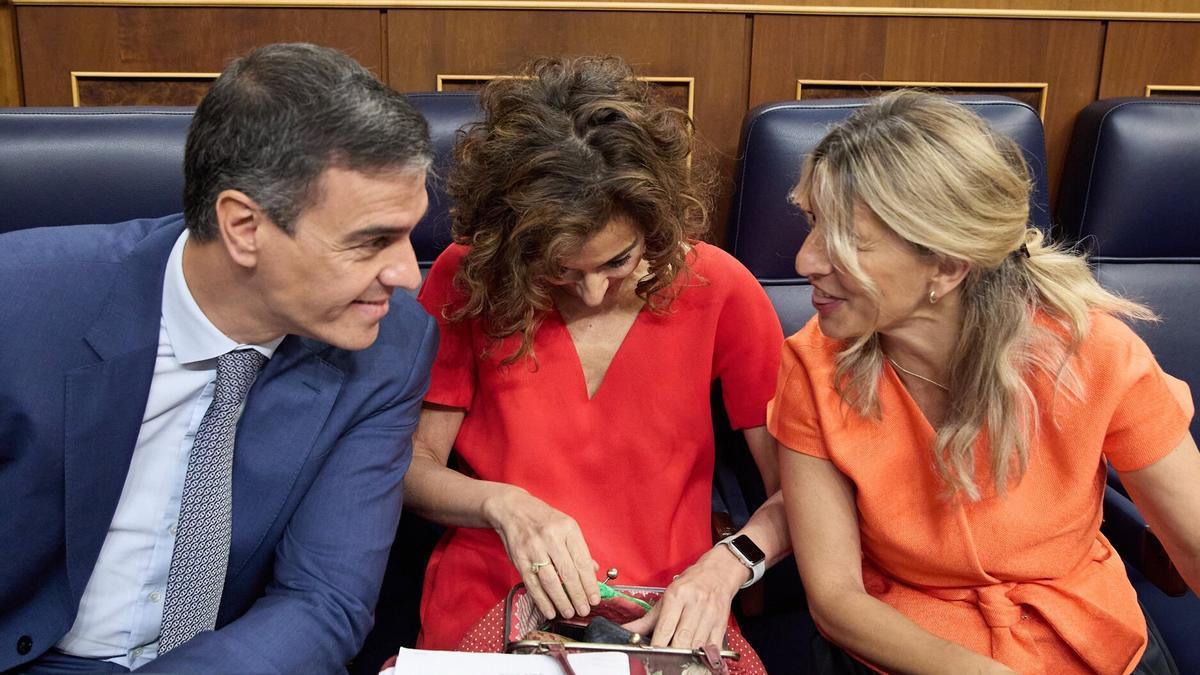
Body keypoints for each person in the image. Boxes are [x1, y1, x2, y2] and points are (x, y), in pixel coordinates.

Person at [0, 43, 438, 673]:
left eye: (409, 236)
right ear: (243, 227)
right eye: (371, 242)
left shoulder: (390, 345)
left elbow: (323, 600)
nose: (407, 274)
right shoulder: (22, 302)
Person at [770, 90, 1200, 674]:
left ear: (946, 265)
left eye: (846, 240)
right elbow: (837, 600)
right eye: (813, 224)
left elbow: (1195, 542)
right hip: (905, 652)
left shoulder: (1095, 350)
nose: (804, 261)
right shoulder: (812, 364)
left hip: (1094, 645)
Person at [404, 56, 791, 666]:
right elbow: (410, 467)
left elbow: (797, 494)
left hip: (672, 604)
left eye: (618, 262)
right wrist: (502, 505)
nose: (589, 294)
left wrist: (729, 565)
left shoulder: (720, 287)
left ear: (656, 221)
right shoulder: (469, 276)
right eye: (558, 268)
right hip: (495, 594)